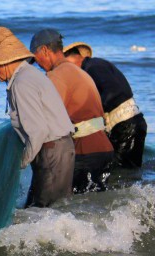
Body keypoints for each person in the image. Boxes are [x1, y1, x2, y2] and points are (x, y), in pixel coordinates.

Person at [0, 27, 75, 207]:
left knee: (43, 214)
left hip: (52, 152)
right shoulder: (28, 75)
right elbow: (29, 127)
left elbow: (38, 131)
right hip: (57, 150)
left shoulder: (21, 83)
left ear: (4, 61)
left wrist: (19, 162)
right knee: (47, 211)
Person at [30, 29, 115, 193]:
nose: (38, 65)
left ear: (45, 51)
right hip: (104, 149)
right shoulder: (79, 71)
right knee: (95, 208)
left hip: (86, 151)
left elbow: (46, 118)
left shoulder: (56, 76)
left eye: (36, 58)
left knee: (71, 207)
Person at [63, 42, 147, 170]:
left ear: (70, 59)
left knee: (120, 173)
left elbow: (112, 92)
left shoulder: (92, 68)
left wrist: (95, 111)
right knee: (129, 171)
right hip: (132, 122)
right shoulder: (97, 64)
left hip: (125, 126)